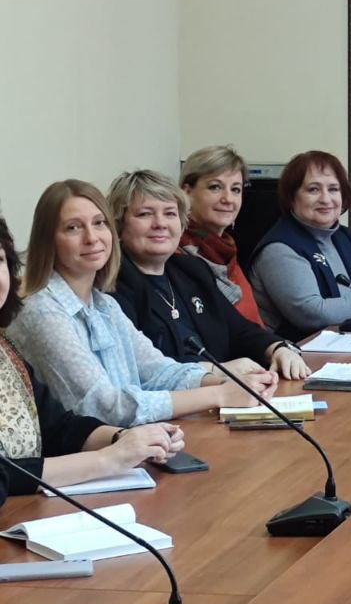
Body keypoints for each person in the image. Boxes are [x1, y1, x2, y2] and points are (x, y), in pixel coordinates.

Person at [7, 180, 276, 428]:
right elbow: (105, 406)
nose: (92, 237)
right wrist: (219, 394)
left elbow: (158, 371)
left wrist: (231, 382)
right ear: (48, 240)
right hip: (87, 454)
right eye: (73, 228)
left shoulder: (103, 304)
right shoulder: (41, 310)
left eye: (99, 223)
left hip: (134, 443)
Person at [0, 212, 184, 507]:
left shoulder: (4, 350)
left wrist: (127, 439)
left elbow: (59, 427)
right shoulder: (41, 310)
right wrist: (108, 460)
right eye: (74, 227)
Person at [107, 170, 310, 380]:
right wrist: (215, 370)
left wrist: (277, 348)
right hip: (179, 397)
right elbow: (142, 365)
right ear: (119, 226)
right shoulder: (112, 285)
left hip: (228, 391)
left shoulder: (192, 269)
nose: (160, 223)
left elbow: (239, 330)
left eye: (170, 213)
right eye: (145, 214)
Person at [250, 151, 351, 339]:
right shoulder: (279, 249)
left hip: (347, 344)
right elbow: (313, 313)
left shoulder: (343, 237)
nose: (326, 199)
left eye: (333, 189)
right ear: (292, 197)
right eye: (313, 190)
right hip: (297, 352)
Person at [178, 144, 263, 325]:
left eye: (236, 189)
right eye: (215, 187)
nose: (228, 199)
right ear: (187, 192)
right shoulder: (177, 254)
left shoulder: (225, 251)